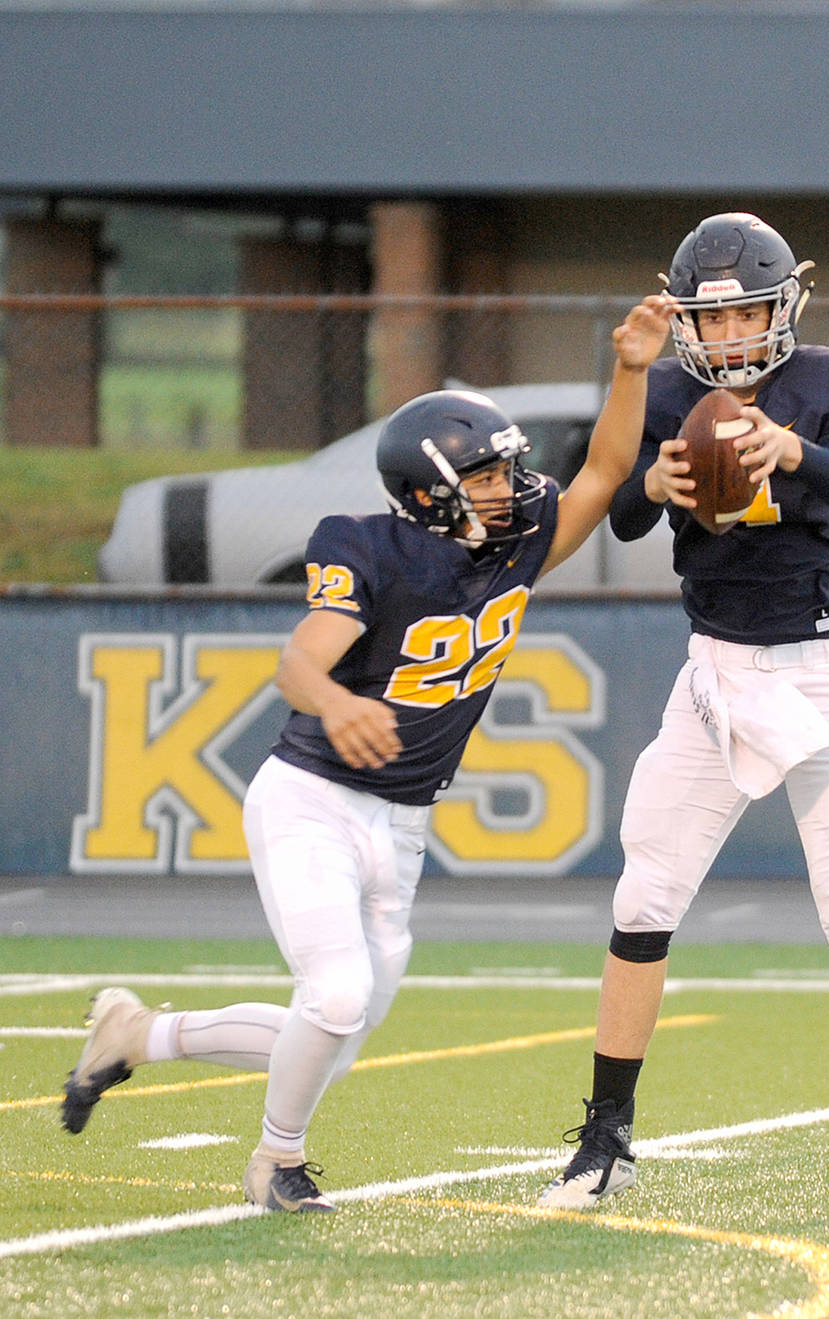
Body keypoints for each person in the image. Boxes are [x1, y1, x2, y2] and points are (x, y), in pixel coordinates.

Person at [60, 293, 676, 1213]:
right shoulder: (367, 549)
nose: (514, 489)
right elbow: (299, 659)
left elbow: (606, 469)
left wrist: (631, 369)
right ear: (434, 491)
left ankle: (137, 1034)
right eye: (490, 477)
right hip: (311, 797)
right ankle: (277, 1161)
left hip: (403, 821)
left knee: (333, 1030)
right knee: (337, 996)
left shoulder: (510, 550)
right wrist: (338, 701)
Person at [539, 213, 829, 1216]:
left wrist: (783, 444)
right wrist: (656, 478)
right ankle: (603, 1139)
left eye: (748, 307)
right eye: (714, 314)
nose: (732, 330)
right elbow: (616, 508)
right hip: (714, 671)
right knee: (643, 895)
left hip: (824, 668)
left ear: (785, 303)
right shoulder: (667, 388)